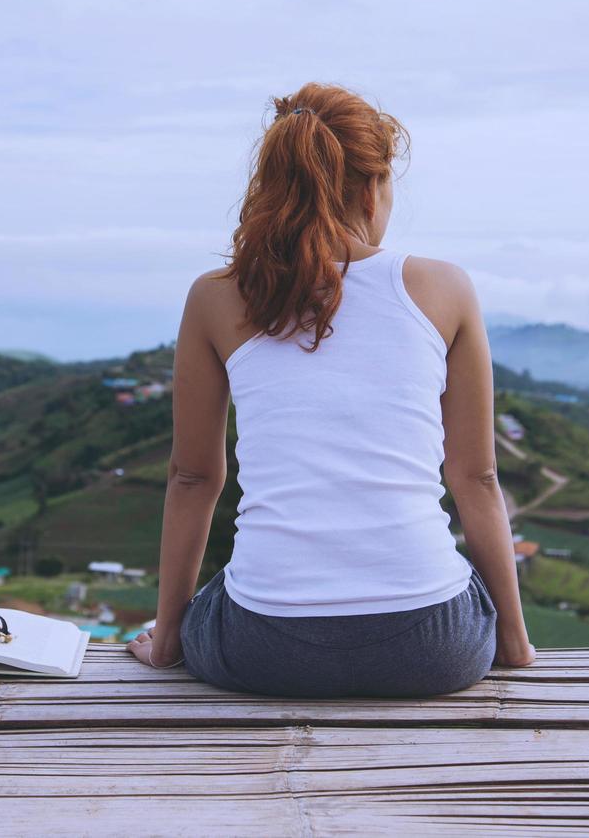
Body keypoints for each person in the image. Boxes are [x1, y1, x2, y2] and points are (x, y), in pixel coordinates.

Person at [125, 82, 535, 696]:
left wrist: (168, 641)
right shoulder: (446, 288)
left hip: (263, 647)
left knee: (222, 594)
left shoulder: (216, 295)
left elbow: (193, 477)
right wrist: (514, 643)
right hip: (434, 647)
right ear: (373, 188)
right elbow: (475, 478)